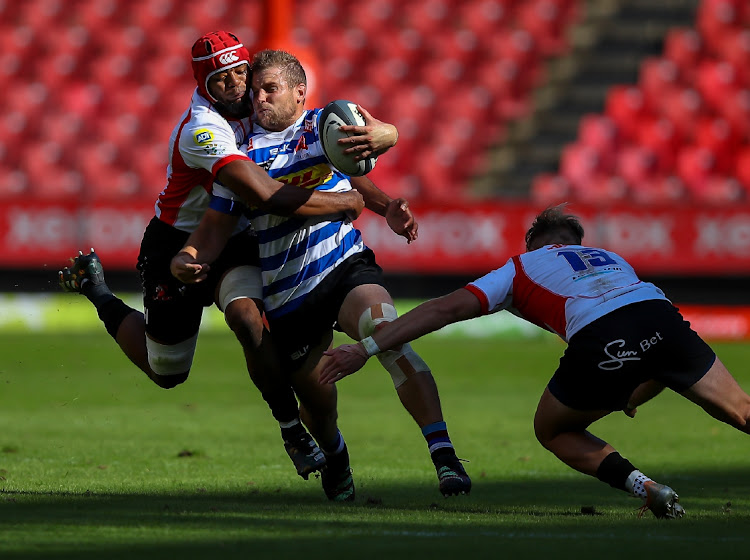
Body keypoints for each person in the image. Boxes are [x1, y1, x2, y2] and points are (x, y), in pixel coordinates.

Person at [58, 30, 396, 483]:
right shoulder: (203, 127)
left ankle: (291, 429)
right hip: (178, 244)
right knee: (167, 373)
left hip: (233, 238)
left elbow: (325, 148)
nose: (237, 85)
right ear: (203, 86)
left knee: (245, 317)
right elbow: (262, 191)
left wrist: (388, 136)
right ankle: (97, 291)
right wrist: (343, 205)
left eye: (242, 71)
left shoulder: (263, 107)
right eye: (222, 79)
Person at [172, 49, 471, 501]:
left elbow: (361, 162)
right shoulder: (240, 149)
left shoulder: (324, 125)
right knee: (318, 403)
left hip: (342, 265)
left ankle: (444, 455)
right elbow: (216, 224)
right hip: (287, 291)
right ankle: (337, 455)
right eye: (255, 91)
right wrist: (190, 254)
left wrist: (387, 203)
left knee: (385, 330)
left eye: (269, 89)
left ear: (299, 92)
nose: (259, 99)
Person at [320, 203, 750, 518]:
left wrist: (365, 348)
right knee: (741, 409)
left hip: (602, 335)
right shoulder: (611, 259)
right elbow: (658, 351)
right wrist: (636, 390)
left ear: (535, 245)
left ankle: (646, 486)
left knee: (552, 428)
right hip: (663, 316)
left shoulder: (520, 266)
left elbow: (443, 310)